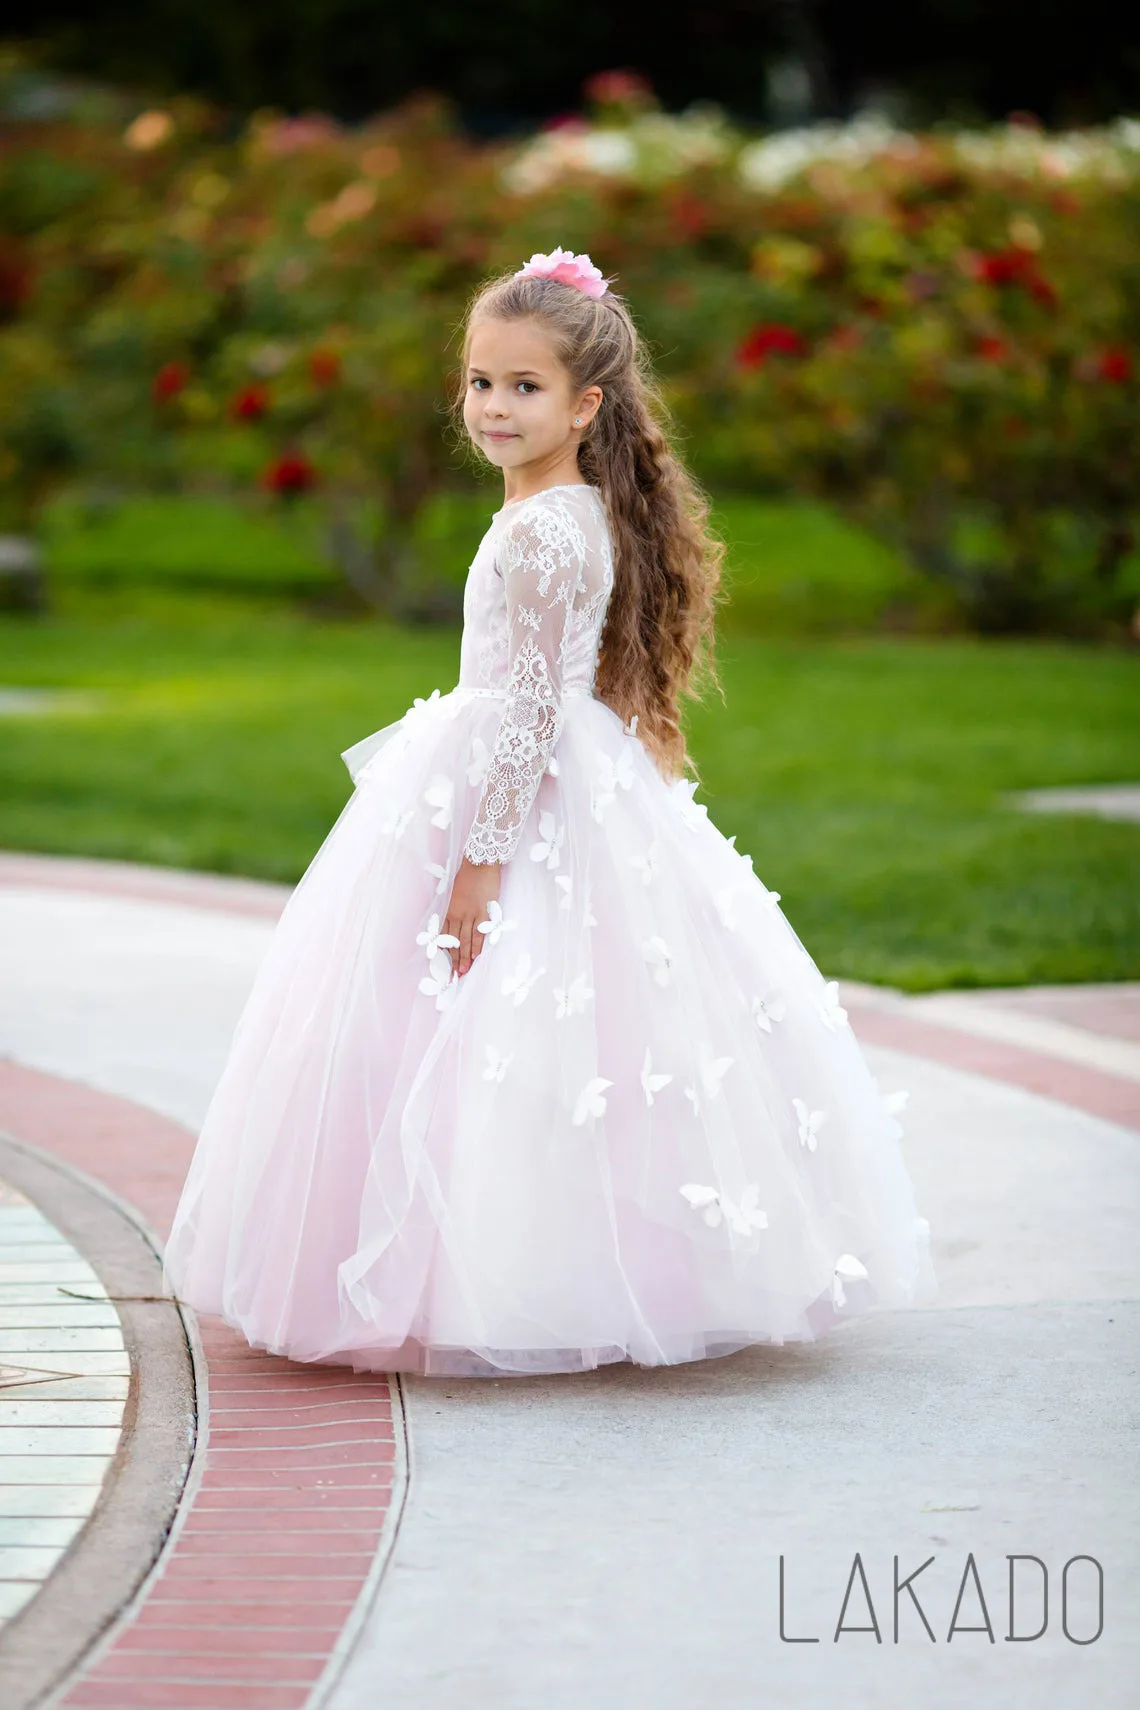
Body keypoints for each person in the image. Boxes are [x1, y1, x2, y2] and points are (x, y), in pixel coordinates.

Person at [161, 247, 936, 1378]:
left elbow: (525, 715)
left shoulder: (542, 529)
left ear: (587, 406)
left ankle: (505, 1274)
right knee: (541, 1029)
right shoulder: (560, 509)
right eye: (480, 382)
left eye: (524, 388)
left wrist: (479, 863)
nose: (492, 407)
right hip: (551, 775)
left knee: (493, 1017)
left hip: (515, 792)